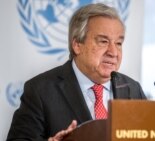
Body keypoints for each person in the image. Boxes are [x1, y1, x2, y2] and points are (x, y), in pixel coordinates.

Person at [7, 3, 146, 141]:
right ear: (77, 45)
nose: (113, 52)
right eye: (103, 41)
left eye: (118, 43)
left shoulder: (133, 89)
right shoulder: (40, 90)